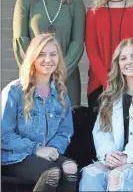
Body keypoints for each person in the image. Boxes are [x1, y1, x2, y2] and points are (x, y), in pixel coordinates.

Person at [79, 38, 133, 191]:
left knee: (118, 176)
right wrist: (108, 155)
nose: (129, 61)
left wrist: (128, 156)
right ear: (118, 64)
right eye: (123, 58)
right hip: (116, 161)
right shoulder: (110, 95)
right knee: (90, 174)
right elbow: (101, 132)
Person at [1, 33, 78, 192]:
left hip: (47, 154)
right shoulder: (15, 91)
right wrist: (36, 149)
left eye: (53, 54)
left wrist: (53, 149)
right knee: (52, 172)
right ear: (32, 58)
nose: (48, 59)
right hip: (16, 157)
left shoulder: (61, 92)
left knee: (71, 168)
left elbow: (65, 131)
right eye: (41, 55)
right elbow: (4, 135)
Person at [13, 0, 86, 108]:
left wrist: (59, 72)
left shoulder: (76, 3)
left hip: (67, 80)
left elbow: (77, 44)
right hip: (34, 80)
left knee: (64, 130)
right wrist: (37, 73)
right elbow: (20, 40)